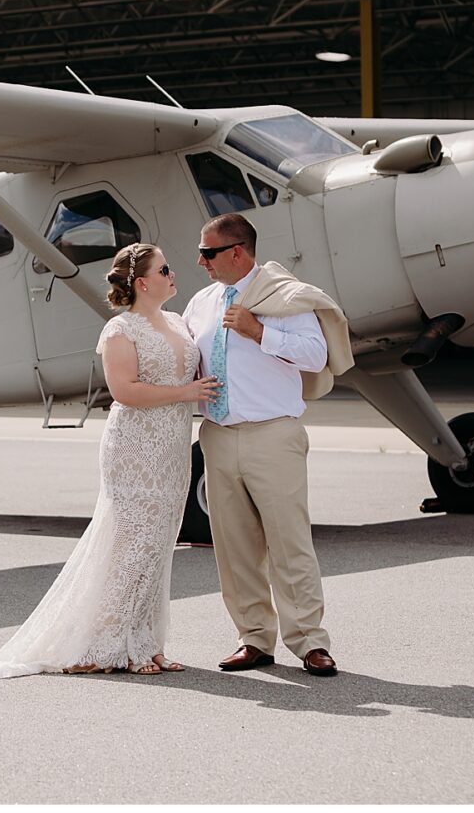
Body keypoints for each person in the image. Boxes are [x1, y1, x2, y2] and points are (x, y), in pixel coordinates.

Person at [0, 242, 217, 678]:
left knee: (157, 545)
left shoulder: (176, 321)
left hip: (171, 447)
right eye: (165, 268)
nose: (174, 273)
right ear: (143, 282)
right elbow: (125, 391)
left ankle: (145, 643)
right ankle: (105, 644)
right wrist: (186, 393)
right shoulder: (120, 331)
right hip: (135, 447)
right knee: (130, 544)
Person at [183, 212, 353, 678]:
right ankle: (253, 638)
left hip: (272, 434)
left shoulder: (286, 297)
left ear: (237, 251)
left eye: (208, 252)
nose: (201, 261)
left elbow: (317, 356)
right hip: (217, 436)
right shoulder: (200, 303)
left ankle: (310, 642)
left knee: (289, 543)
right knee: (234, 548)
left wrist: (259, 332)